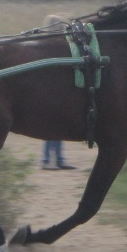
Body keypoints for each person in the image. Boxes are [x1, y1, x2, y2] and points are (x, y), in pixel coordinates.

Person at [39, 14, 76, 171]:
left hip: (57, 92)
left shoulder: (56, 45)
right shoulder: (47, 46)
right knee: (51, 129)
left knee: (58, 129)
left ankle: (58, 160)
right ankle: (47, 161)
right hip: (49, 93)